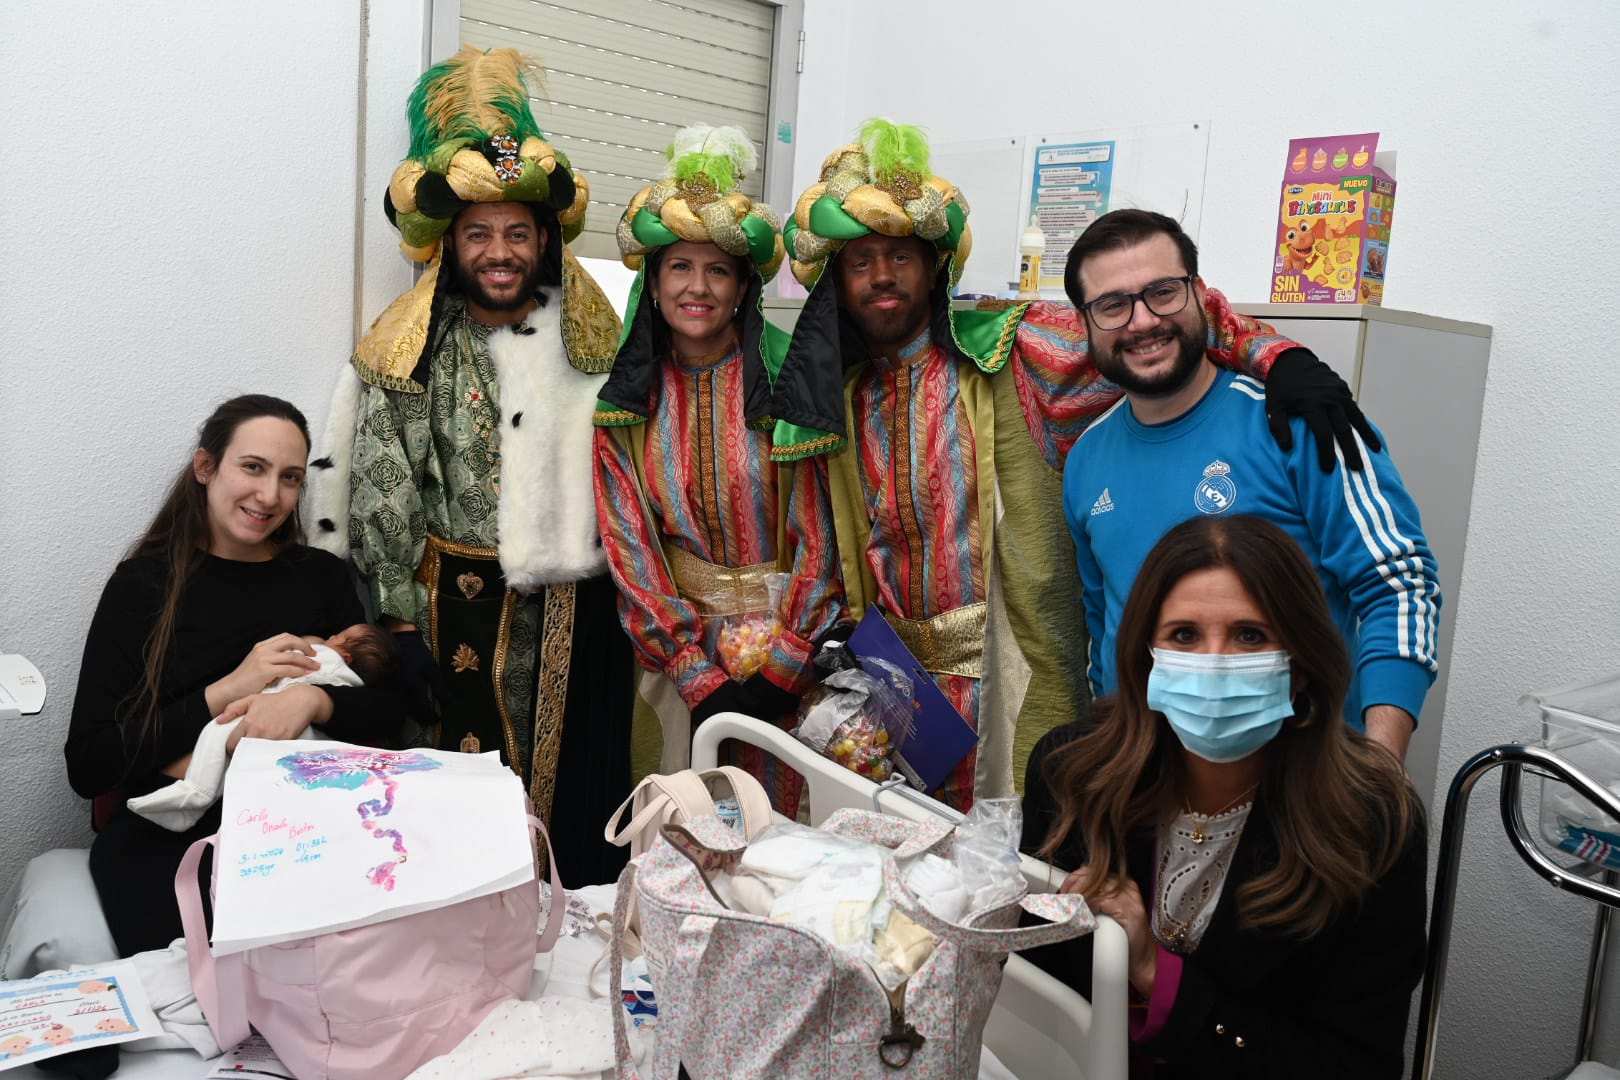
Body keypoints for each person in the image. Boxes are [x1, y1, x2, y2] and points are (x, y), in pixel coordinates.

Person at [766, 119, 1376, 809]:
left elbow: (1149, 324)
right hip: (892, 700)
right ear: (837, 283)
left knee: (1020, 860)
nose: (882, 276)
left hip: (1015, 689)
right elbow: (818, 554)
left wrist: (1275, 356)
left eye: (901, 256)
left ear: (934, 265)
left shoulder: (1015, 351)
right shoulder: (834, 402)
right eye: (860, 262)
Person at [305, 46, 634, 884]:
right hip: (446, 610)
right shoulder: (415, 342)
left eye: (516, 233)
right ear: (450, 244)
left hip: (570, 616)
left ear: (544, 240)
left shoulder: (589, 342)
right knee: (448, 810)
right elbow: (383, 483)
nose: (499, 251)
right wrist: (398, 619)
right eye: (479, 233)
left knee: (564, 811)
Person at [1022, 514, 1427, 1078]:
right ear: (1147, 657)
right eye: (1184, 635)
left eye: (1250, 635)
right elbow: (1030, 988)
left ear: (1301, 666)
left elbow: (1354, 1064)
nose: (1215, 663)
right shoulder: (1070, 774)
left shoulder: (1372, 825)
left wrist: (1154, 972)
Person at [1061, 209, 1439, 761]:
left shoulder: (1301, 425)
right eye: (1113, 305)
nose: (1142, 321)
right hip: (1147, 777)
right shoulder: (1085, 459)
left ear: (1200, 296)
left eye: (1163, 292)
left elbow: (1400, 586)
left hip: (1305, 772)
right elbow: (1103, 629)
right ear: (1085, 324)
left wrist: (1381, 763)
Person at [65, 395, 408, 956]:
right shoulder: (141, 587)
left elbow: (391, 712)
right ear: (205, 467)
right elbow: (90, 763)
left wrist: (312, 703)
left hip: (312, 825)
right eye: (253, 467)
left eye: (290, 477)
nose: (270, 496)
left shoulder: (320, 577)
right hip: (179, 840)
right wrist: (229, 689)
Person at [592, 124, 845, 812]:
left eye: (718, 270)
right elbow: (629, 543)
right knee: (688, 823)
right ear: (653, 283)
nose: (696, 288)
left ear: (742, 288)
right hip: (678, 666)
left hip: (795, 658)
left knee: (786, 835)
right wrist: (692, 671)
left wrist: (784, 666)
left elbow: (824, 530)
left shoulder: (791, 381)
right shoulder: (626, 403)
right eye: (679, 267)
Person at [126, 623, 401, 832]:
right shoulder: (353, 678)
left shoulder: (326, 656)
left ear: (346, 657)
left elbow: (388, 709)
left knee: (217, 730)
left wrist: (313, 695)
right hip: (296, 771)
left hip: (268, 740)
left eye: (338, 637)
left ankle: (197, 790)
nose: (330, 636)